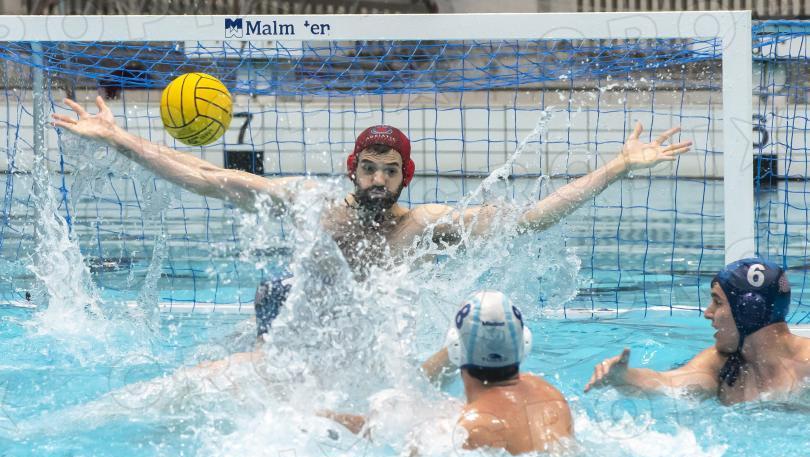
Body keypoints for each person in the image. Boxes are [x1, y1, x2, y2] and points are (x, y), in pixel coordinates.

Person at [52, 97, 692, 276]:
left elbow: (529, 218)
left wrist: (616, 168)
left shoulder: (427, 226)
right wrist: (120, 138)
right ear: (352, 171)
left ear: (404, 176)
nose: (379, 179)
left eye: (390, 170)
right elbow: (210, 178)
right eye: (369, 168)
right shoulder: (311, 206)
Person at [321, 291, 574, 455]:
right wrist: (331, 418)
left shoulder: (467, 431)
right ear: (524, 344)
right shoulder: (550, 396)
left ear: (454, 348)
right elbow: (409, 420)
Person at [584, 258, 810, 405]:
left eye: (717, 302)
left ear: (749, 311)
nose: (708, 313)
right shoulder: (723, 365)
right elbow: (668, 384)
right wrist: (623, 377)